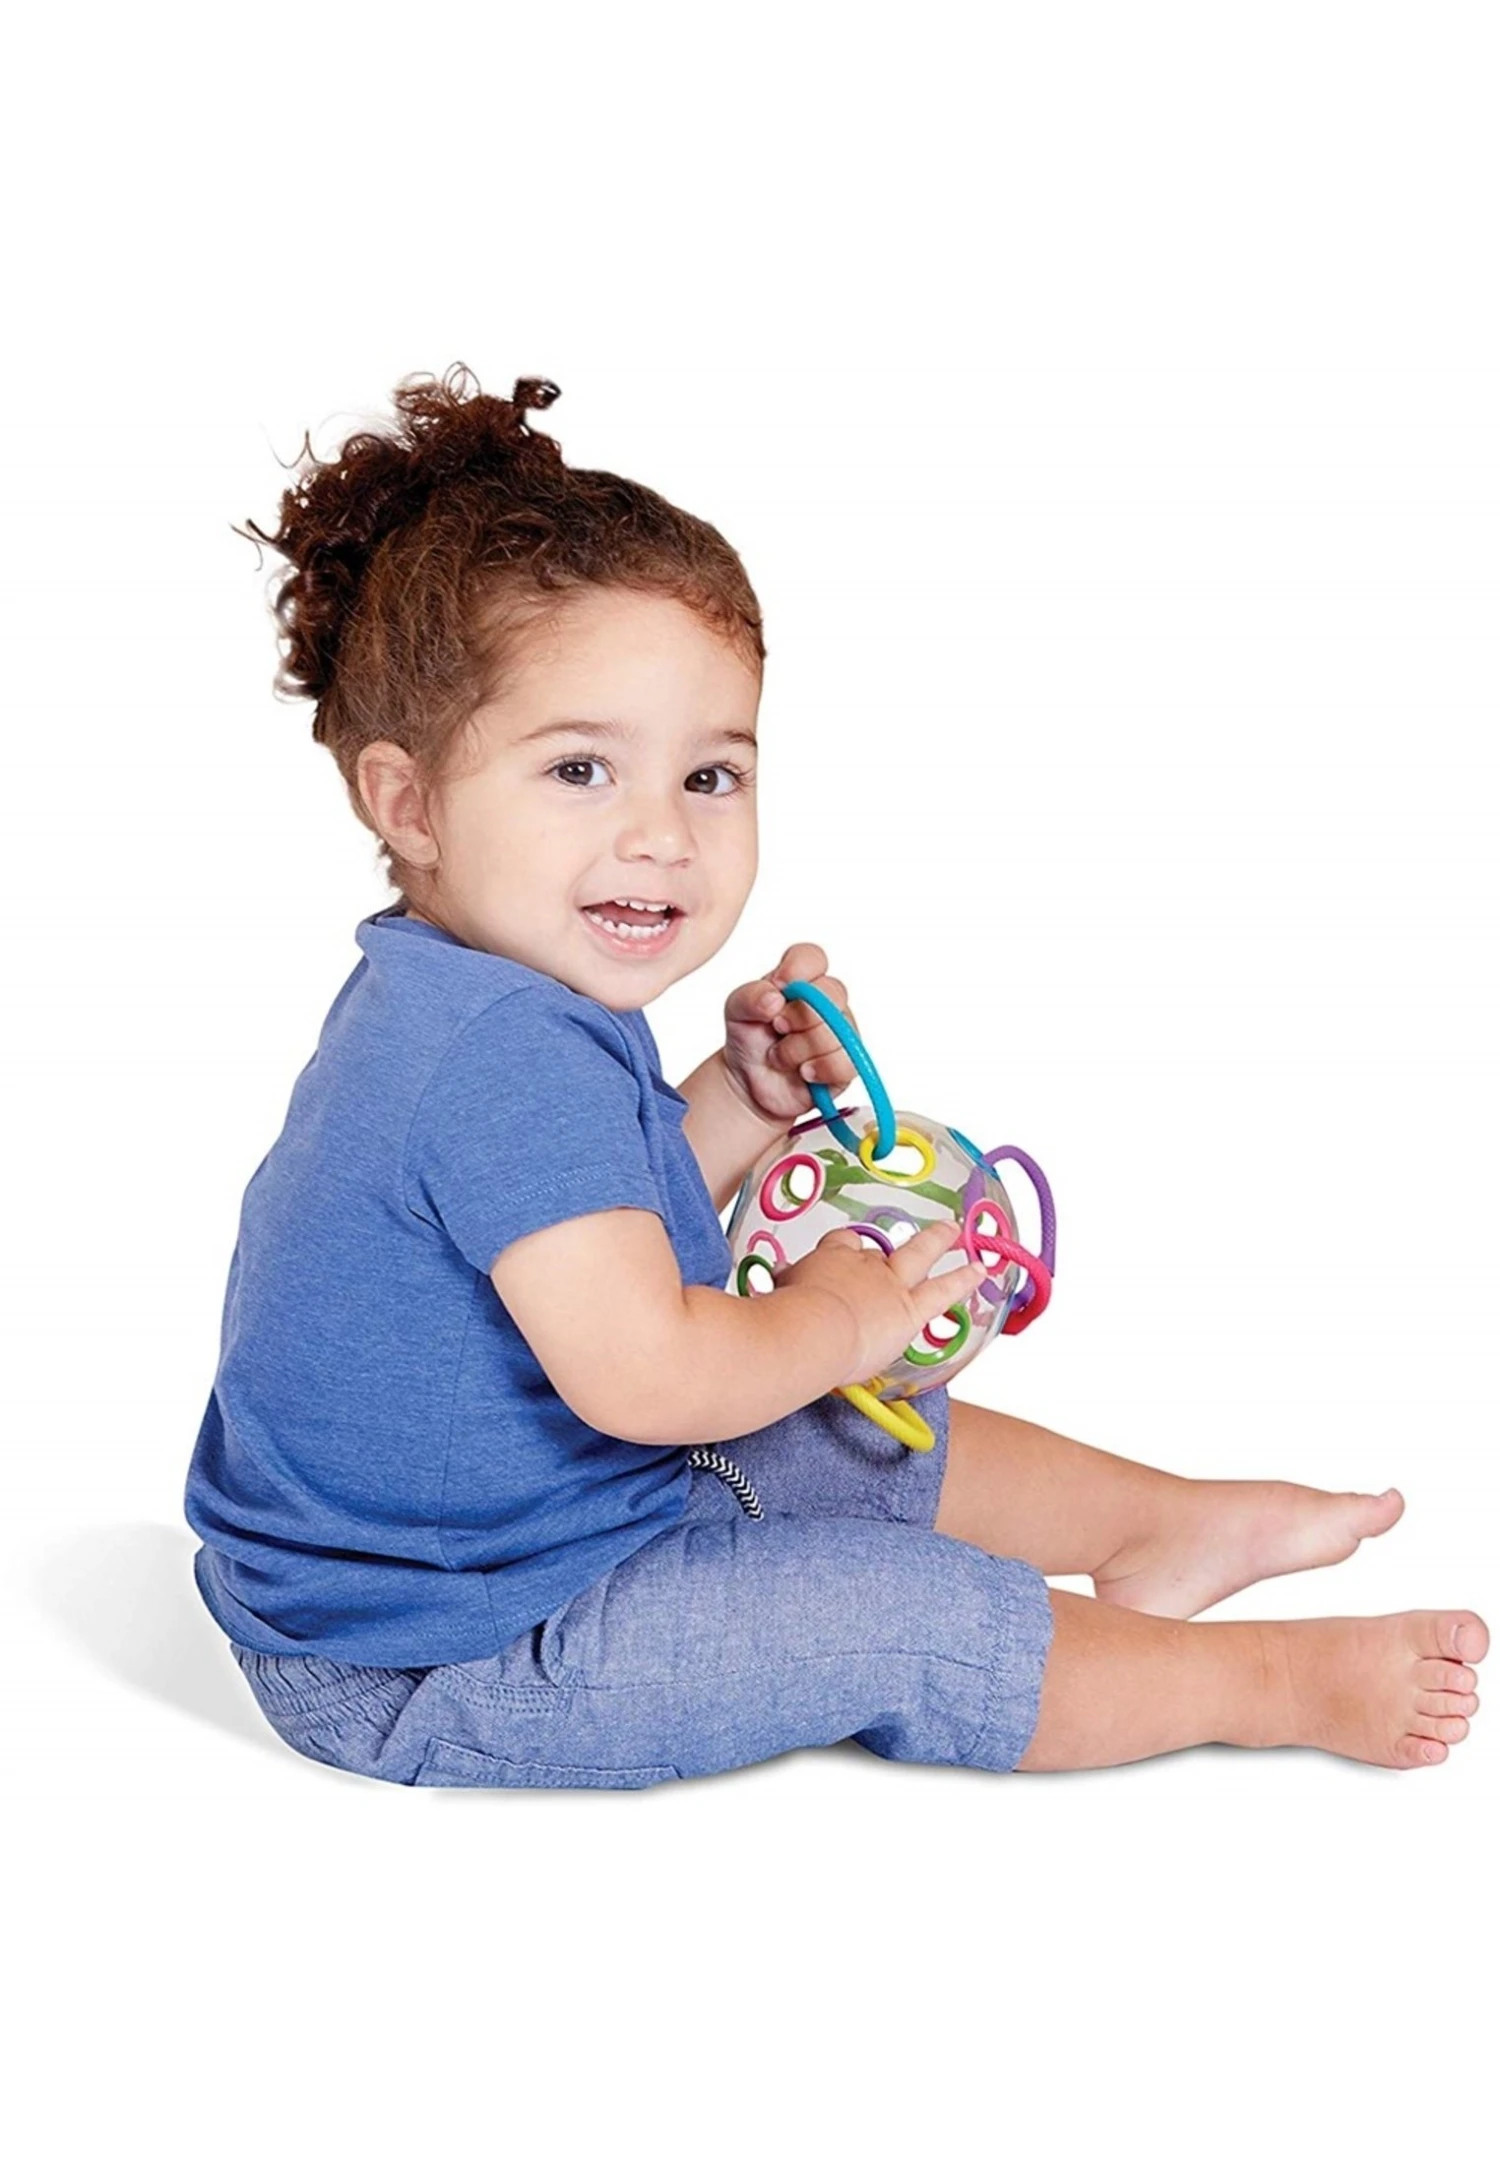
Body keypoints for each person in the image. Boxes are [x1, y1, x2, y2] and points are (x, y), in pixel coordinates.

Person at [184, 364, 1485, 1788]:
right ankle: (1272, 1681)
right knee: (898, 1609)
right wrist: (840, 1314)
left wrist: (740, 1101)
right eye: (579, 772)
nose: (661, 836)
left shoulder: (468, 996)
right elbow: (648, 1372)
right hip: (442, 1645)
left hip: (506, 1530)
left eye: (710, 777)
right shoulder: (503, 1049)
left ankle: (1158, 1528)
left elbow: (574, 1237)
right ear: (409, 802)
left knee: (836, 1437)